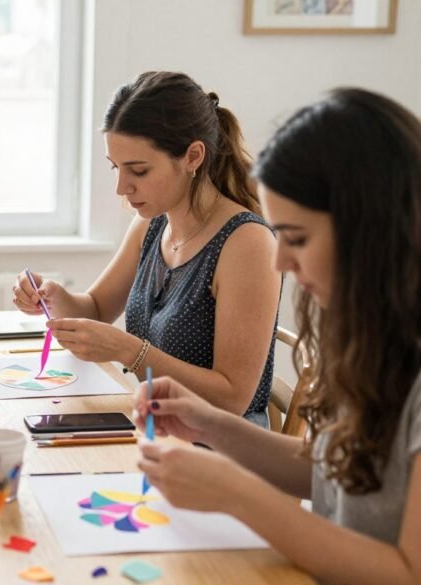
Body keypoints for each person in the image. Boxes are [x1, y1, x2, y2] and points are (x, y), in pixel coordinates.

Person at [135, 88, 421, 584]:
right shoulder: (370, 333)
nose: (280, 261)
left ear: (371, 230)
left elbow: (407, 570)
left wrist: (238, 494)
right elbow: (333, 474)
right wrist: (208, 425)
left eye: (298, 238)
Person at [15, 71, 281, 426]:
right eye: (116, 168)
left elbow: (232, 398)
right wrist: (53, 297)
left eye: (137, 171)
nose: (121, 188)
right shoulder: (152, 224)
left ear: (193, 156)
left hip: (222, 446)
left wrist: (131, 352)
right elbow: (95, 308)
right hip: (157, 426)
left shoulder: (247, 244)